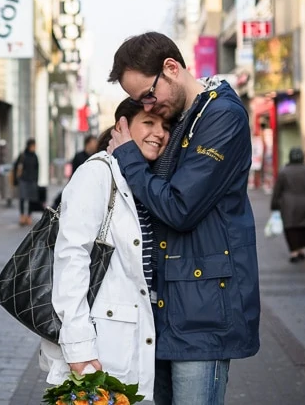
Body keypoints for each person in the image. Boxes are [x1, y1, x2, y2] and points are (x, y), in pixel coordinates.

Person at [106, 32, 260, 405]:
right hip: (168, 310)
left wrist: (128, 156)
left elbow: (179, 207)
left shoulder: (221, 116)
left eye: (147, 94)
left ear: (171, 69)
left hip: (204, 314)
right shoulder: (185, 119)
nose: (147, 105)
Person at [40, 98, 170, 401]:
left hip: (145, 344)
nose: (159, 133)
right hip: (102, 348)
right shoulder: (98, 174)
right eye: (148, 123)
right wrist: (78, 346)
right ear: (121, 127)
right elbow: (71, 257)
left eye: (165, 126)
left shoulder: (152, 182)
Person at [270, 148, 305, 263]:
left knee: (290, 228)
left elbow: (277, 190)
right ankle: (301, 250)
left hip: (288, 204)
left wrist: (274, 204)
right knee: (303, 227)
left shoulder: (284, 171)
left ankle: (294, 252)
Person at [14, 139, 39, 227]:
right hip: (23, 180)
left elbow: (37, 169)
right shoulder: (23, 155)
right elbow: (16, 166)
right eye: (33, 146)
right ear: (29, 146)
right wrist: (16, 179)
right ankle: (22, 216)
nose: (34, 148)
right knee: (22, 198)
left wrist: (36, 180)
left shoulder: (35, 156)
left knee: (31, 199)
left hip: (32, 180)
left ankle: (29, 216)